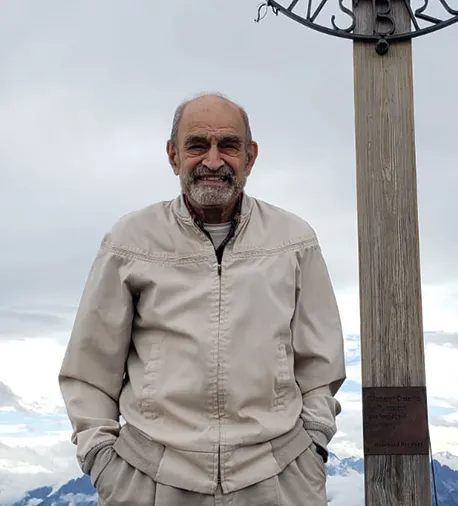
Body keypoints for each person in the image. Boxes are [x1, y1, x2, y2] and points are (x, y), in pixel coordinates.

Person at [58, 92, 347, 505]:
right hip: (150, 480)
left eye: (228, 145)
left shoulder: (293, 241)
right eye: (197, 145)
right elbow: (89, 370)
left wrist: (313, 449)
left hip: (277, 479)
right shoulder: (130, 242)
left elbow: (320, 366)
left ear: (251, 156)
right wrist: (103, 463)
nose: (213, 161)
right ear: (174, 156)